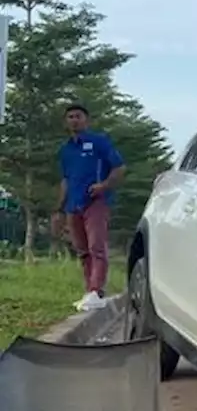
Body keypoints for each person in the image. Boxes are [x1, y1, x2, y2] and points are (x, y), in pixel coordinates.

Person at [53, 103, 126, 311]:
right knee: (82, 250)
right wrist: (59, 208)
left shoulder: (98, 142)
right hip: (73, 204)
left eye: (78, 116)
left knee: (97, 246)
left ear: (86, 120)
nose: (74, 120)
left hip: (95, 202)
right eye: (70, 117)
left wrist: (104, 185)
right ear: (66, 122)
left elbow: (119, 167)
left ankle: (97, 290)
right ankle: (89, 291)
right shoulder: (66, 150)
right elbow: (65, 180)